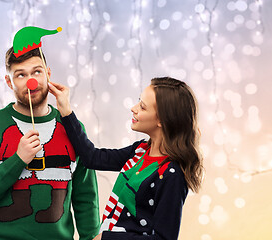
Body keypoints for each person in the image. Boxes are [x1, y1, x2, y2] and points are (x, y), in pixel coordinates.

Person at [0, 46, 100, 240]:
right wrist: (18, 160)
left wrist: (91, 237)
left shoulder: (73, 129)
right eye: (20, 75)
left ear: (48, 74)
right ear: (9, 82)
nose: (31, 82)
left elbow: (86, 198)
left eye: (37, 72)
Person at [48, 77, 204, 240]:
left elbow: (163, 238)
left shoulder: (172, 174)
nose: (133, 108)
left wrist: (106, 239)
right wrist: (66, 110)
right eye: (138, 102)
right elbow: (92, 157)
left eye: (142, 107)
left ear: (162, 120)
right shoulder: (140, 151)